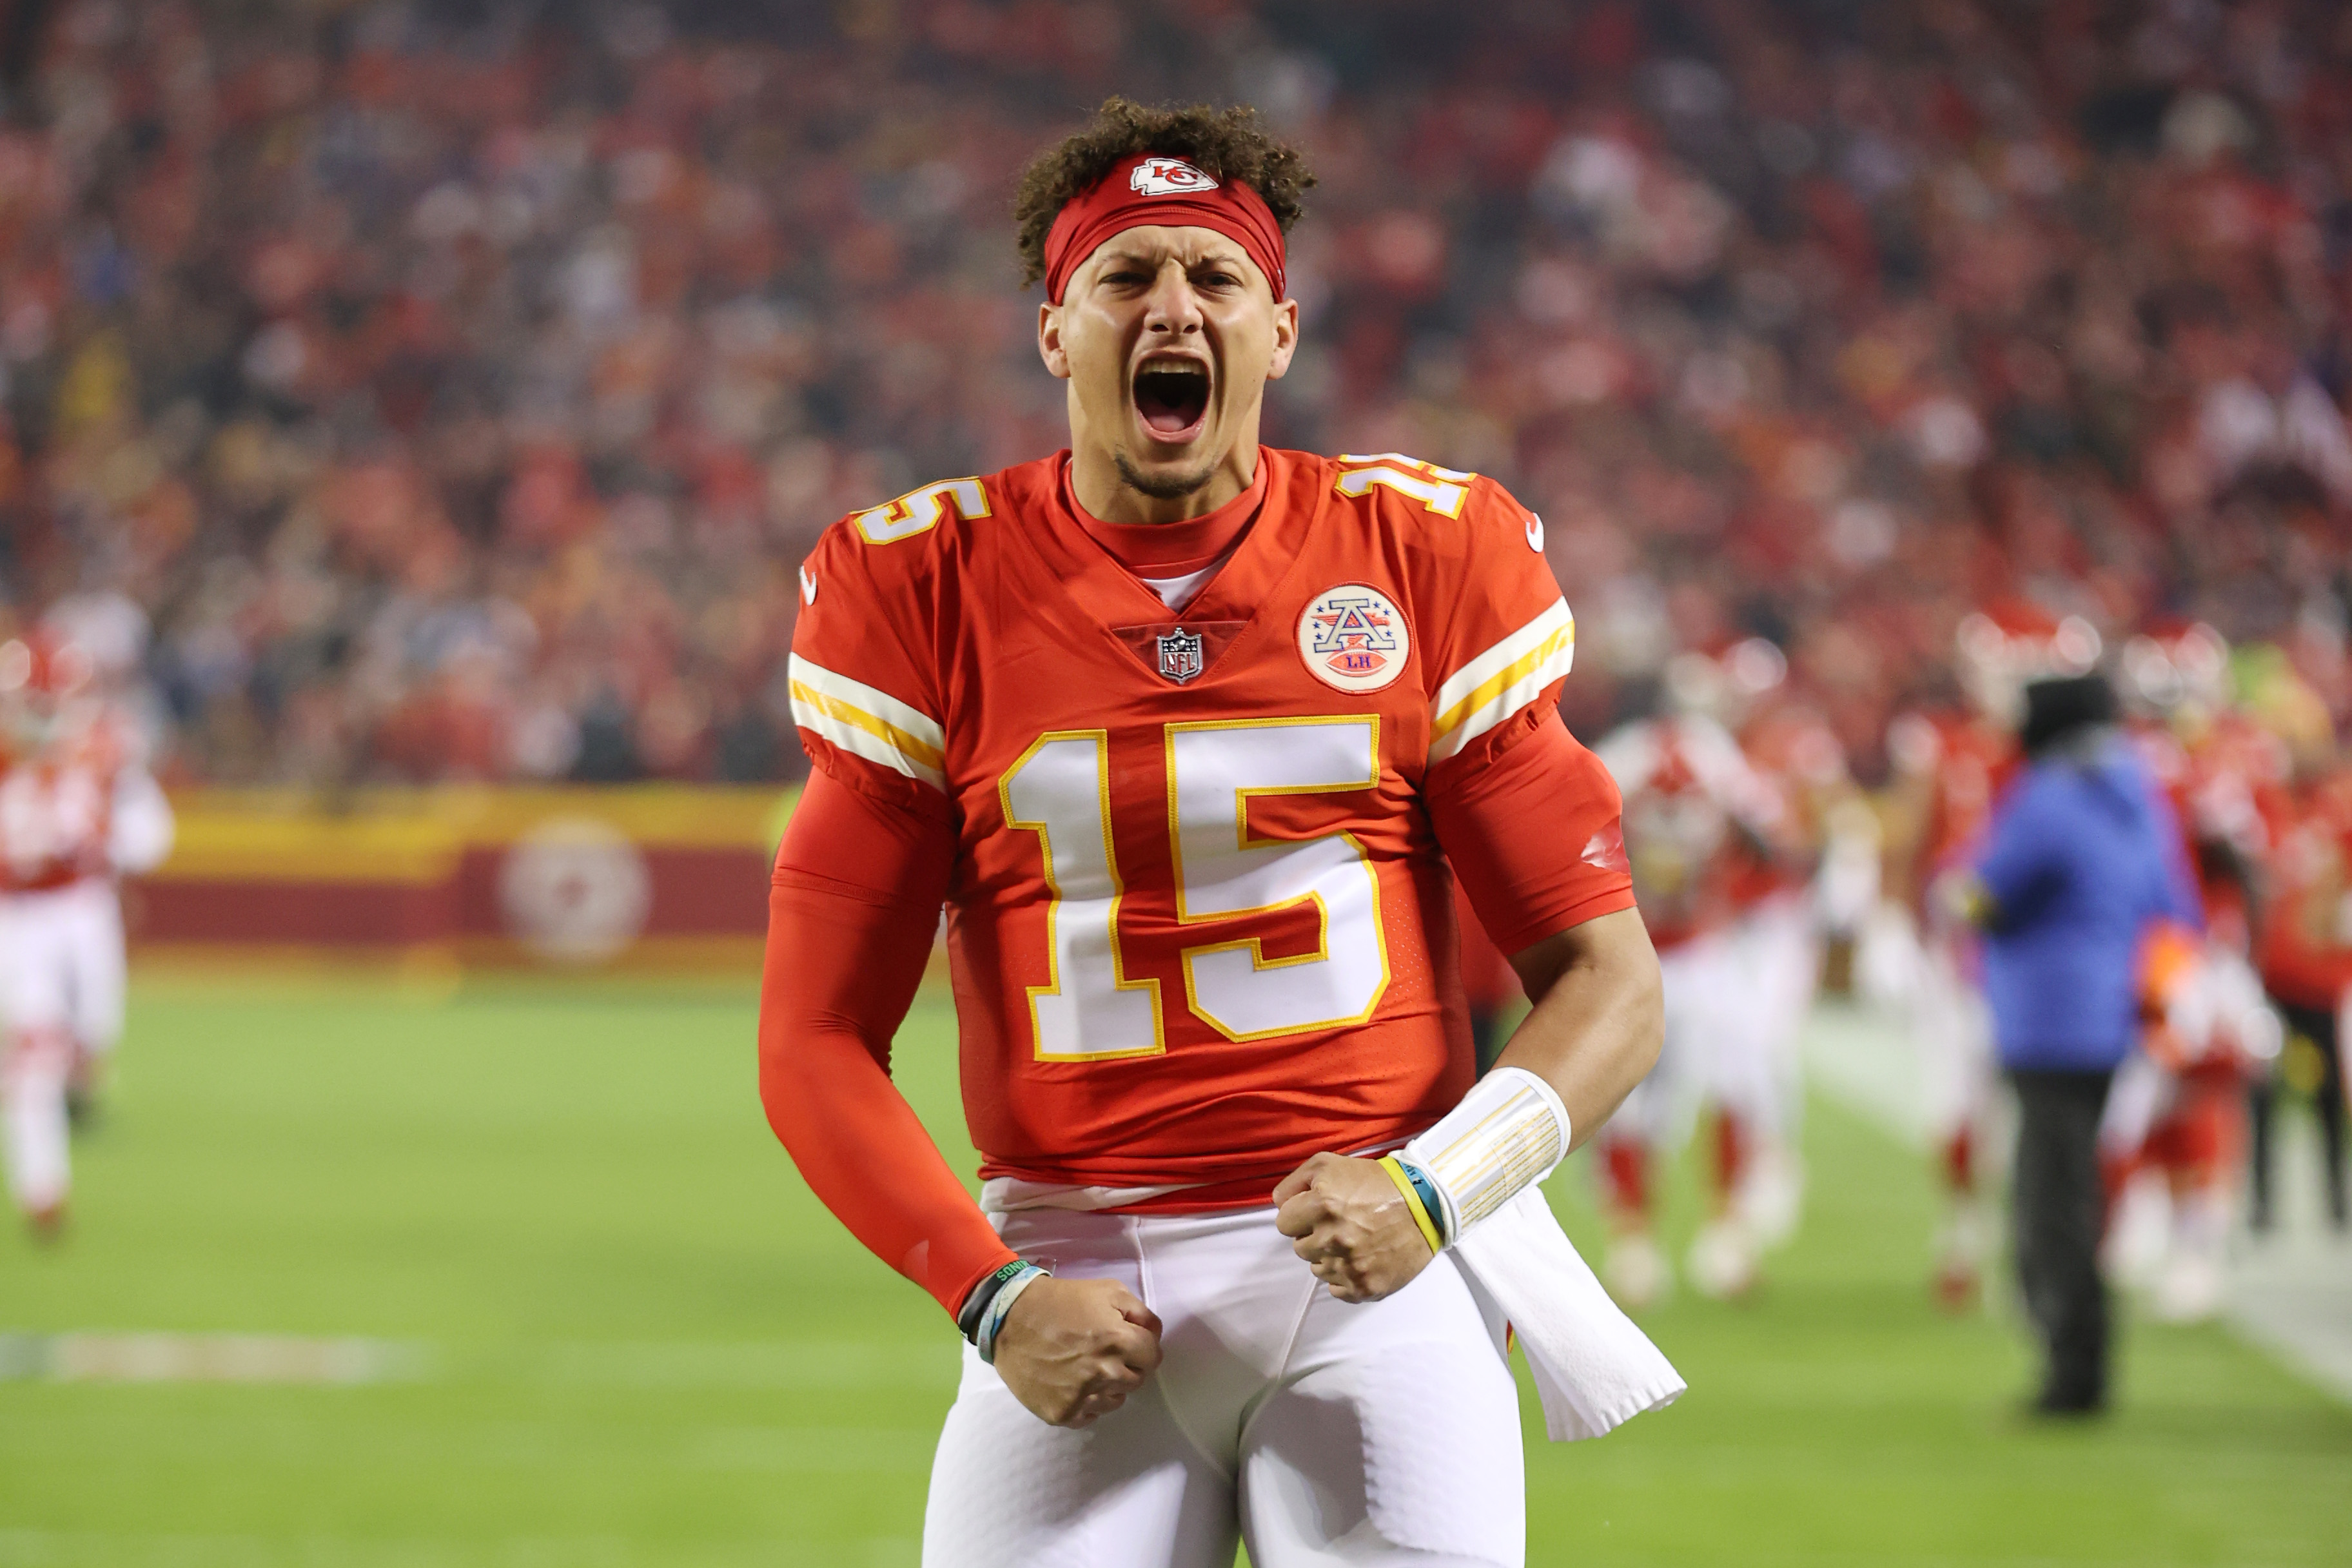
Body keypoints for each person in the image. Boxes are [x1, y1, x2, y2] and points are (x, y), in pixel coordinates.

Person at [756, 99, 1676, 1567]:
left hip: (1377, 1259)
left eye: (1213, 277)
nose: (1170, 307)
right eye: (1126, 277)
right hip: (1070, 1258)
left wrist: (1439, 1191)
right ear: (1058, 330)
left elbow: (1611, 981)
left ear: (1280, 329)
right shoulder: (921, 586)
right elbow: (812, 1038)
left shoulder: (1426, 556)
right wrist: (989, 1296)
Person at [1961, 671, 2200, 1415]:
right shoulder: (2139, 792)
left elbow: (1983, 890)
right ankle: (2084, 1355)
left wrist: (1960, 897)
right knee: (2077, 1187)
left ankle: (2075, 1370)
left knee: (2050, 1198)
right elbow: (2176, 904)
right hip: (2114, 1012)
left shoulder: (2050, 794)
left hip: (2046, 1016)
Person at [0, 631, 175, 1237]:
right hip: (16, 918)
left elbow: (153, 834)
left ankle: (79, 1081)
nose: (41, 717)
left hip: (83, 906)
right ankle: (42, 1189)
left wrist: (110, 847)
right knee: (31, 1055)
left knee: (93, 1034)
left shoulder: (103, 749)